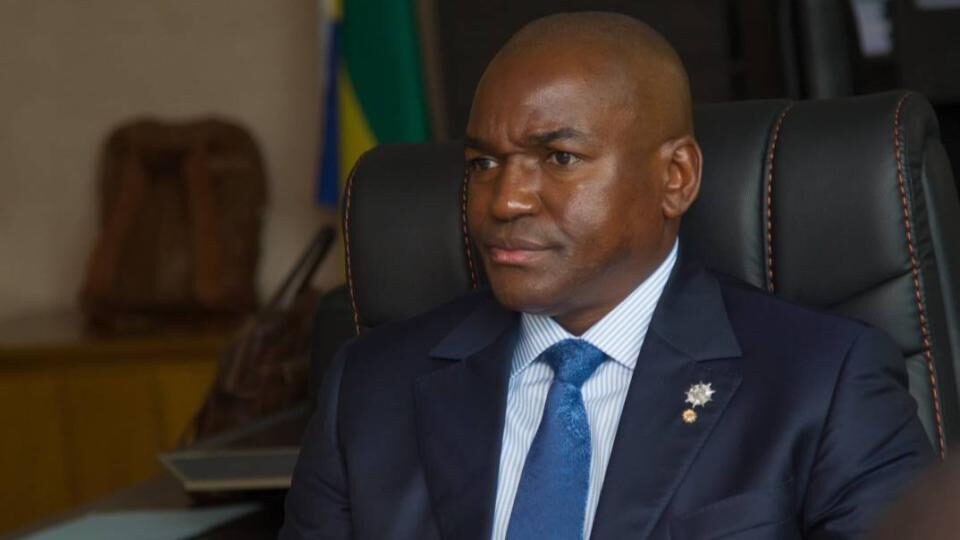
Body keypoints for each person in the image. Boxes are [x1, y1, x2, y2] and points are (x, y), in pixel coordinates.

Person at [280, 12, 933, 540]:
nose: (505, 201)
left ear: (675, 178)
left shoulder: (822, 382)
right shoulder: (371, 390)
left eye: (559, 158)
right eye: (483, 164)